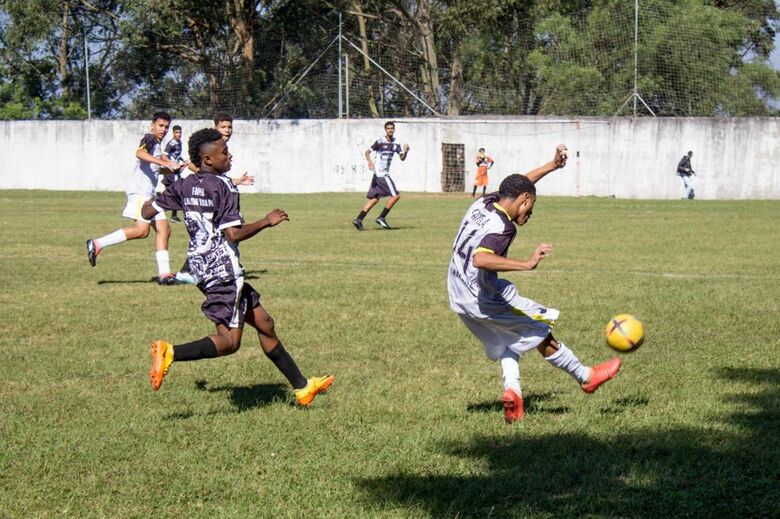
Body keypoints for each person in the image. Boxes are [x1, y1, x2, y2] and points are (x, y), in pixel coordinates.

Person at [142, 128, 334, 405]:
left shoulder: (184, 185)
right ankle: (170, 352)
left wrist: (168, 188)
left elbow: (148, 212)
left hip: (201, 268)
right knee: (230, 342)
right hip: (223, 270)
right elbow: (234, 234)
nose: (230, 156)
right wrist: (267, 221)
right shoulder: (225, 186)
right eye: (224, 153)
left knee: (265, 324)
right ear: (208, 160)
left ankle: (302, 388)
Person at [447, 144, 622, 423]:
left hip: (457, 293)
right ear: (525, 200)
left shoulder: (484, 202)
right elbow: (481, 259)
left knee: (509, 342)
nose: (530, 214)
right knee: (540, 330)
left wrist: (552, 165)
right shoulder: (503, 228)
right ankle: (586, 377)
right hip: (481, 296)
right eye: (532, 206)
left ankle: (513, 393)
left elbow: (520, 184)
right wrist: (526, 264)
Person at [85, 111, 182, 285]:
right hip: (140, 191)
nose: (164, 129)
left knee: (164, 229)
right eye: (160, 125)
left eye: (166, 127)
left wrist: (174, 167)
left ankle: (164, 274)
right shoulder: (150, 138)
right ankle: (96, 243)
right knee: (141, 231)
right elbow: (139, 153)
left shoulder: (158, 146)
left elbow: (156, 168)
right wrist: (164, 162)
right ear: (152, 125)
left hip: (149, 194)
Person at [352, 121, 409, 230]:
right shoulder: (380, 142)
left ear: (394, 129)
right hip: (381, 174)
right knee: (396, 195)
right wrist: (369, 161)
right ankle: (381, 217)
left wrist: (406, 151)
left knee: (375, 198)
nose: (390, 130)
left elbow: (402, 158)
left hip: (378, 175)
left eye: (392, 128)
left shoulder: (396, 143)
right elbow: (367, 152)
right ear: (385, 130)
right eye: (388, 128)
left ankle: (359, 219)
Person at [161, 125, 187, 222]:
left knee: (175, 192)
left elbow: (177, 156)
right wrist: (172, 164)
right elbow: (164, 156)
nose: (179, 134)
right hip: (170, 172)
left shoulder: (179, 142)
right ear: (173, 133)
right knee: (175, 192)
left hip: (175, 171)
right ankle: (157, 205)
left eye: (180, 132)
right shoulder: (171, 143)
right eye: (176, 132)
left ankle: (173, 215)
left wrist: (183, 162)